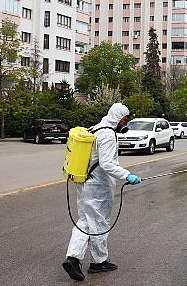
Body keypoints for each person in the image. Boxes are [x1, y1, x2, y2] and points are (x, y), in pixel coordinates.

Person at [62, 103, 141, 281]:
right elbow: (107, 164)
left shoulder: (96, 128)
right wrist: (127, 175)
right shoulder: (107, 134)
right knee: (97, 223)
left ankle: (86, 259)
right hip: (97, 186)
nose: (125, 122)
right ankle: (87, 260)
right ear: (120, 118)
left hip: (85, 182)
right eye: (125, 119)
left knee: (87, 221)